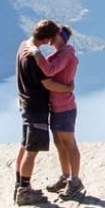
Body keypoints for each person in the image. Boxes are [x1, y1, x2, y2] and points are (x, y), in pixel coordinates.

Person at [11, 20, 64, 205]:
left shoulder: (23, 46)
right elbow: (48, 84)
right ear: (48, 38)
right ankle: (24, 192)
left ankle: (19, 185)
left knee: (25, 146)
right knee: (31, 151)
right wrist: (68, 88)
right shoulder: (33, 56)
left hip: (26, 104)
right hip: (36, 109)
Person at [33, 24, 84, 199]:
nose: (51, 39)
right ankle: (65, 176)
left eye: (54, 36)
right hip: (55, 107)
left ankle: (75, 181)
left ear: (62, 37)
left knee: (69, 143)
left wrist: (35, 52)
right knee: (59, 144)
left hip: (65, 107)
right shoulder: (59, 54)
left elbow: (50, 70)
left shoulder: (66, 54)